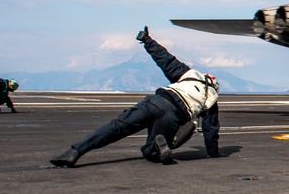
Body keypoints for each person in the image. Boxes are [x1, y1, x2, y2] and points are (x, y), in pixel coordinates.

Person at [50, 27, 220, 167]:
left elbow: (165, 59)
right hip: (173, 116)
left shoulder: (189, 75)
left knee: (116, 127)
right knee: (151, 153)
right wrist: (213, 153)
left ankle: (75, 151)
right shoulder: (211, 99)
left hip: (156, 102)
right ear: (214, 86)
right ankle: (156, 147)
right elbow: (210, 129)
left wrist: (147, 41)